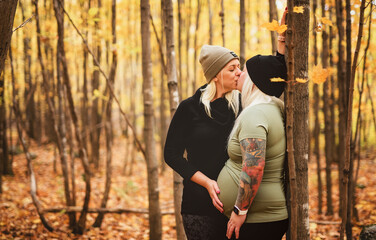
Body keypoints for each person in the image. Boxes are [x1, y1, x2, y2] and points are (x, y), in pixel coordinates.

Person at [216, 9, 289, 240]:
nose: (240, 75)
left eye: (244, 71)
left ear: (256, 82)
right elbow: (273, 72)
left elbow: (254, 167)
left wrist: (240, 210)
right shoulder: (272, 108)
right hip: (264, 216)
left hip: (258, 218)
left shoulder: (254, 116)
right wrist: (282, 40)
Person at [164, 45, 242, 240]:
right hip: (198, 207)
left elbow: (271, 84)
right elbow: (171, 154)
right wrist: (207, 182)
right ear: (215, 75)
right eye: (231, 69)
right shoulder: (189, 108)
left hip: (236, 209)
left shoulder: (242, 105)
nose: (239, 73)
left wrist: (282, 44)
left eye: (239, 67)